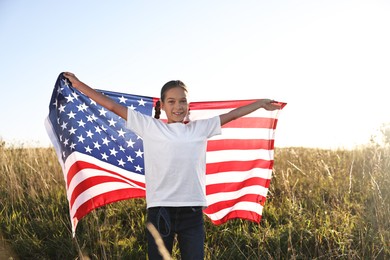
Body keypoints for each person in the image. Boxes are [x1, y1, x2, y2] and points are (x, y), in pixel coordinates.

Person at [63, 72, 280, 260]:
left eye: (182, 101)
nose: (178, 107)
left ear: (188, 104)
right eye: (172, 101)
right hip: (160, 212)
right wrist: (78, 84)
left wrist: (260, 103)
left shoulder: (200, 128)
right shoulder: (150, 126)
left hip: (192, 213)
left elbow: (232, 115)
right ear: (163, 105)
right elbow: (111, 105)